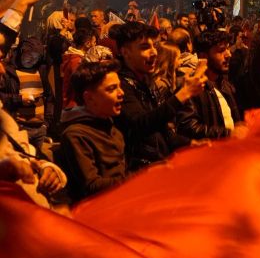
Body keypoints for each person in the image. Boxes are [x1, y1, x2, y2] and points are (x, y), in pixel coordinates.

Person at [113, 22, 206, 170]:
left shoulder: (146, 81)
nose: (154, 52)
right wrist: (183, 94)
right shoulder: (120, 85)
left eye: (154, 46)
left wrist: (191, 144)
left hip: (160, 165)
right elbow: (140, 124)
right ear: (125, 52)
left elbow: (162, 130)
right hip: (139, 173)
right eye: (145, 47)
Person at [57, 60, 127, 202]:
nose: (121, 93)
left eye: (120, 87)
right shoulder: (76, 135)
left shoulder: (113, 129)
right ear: (89, 98)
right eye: (112, 89)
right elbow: (91, 186)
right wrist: (137, 178)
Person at [177, 30, 243, 140]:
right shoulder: (192, 87)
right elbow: (188, 127)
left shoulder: (225, 85)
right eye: (221, 50)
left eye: (228, 48)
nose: (228, 54)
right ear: (204, 56)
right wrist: (227, 134)